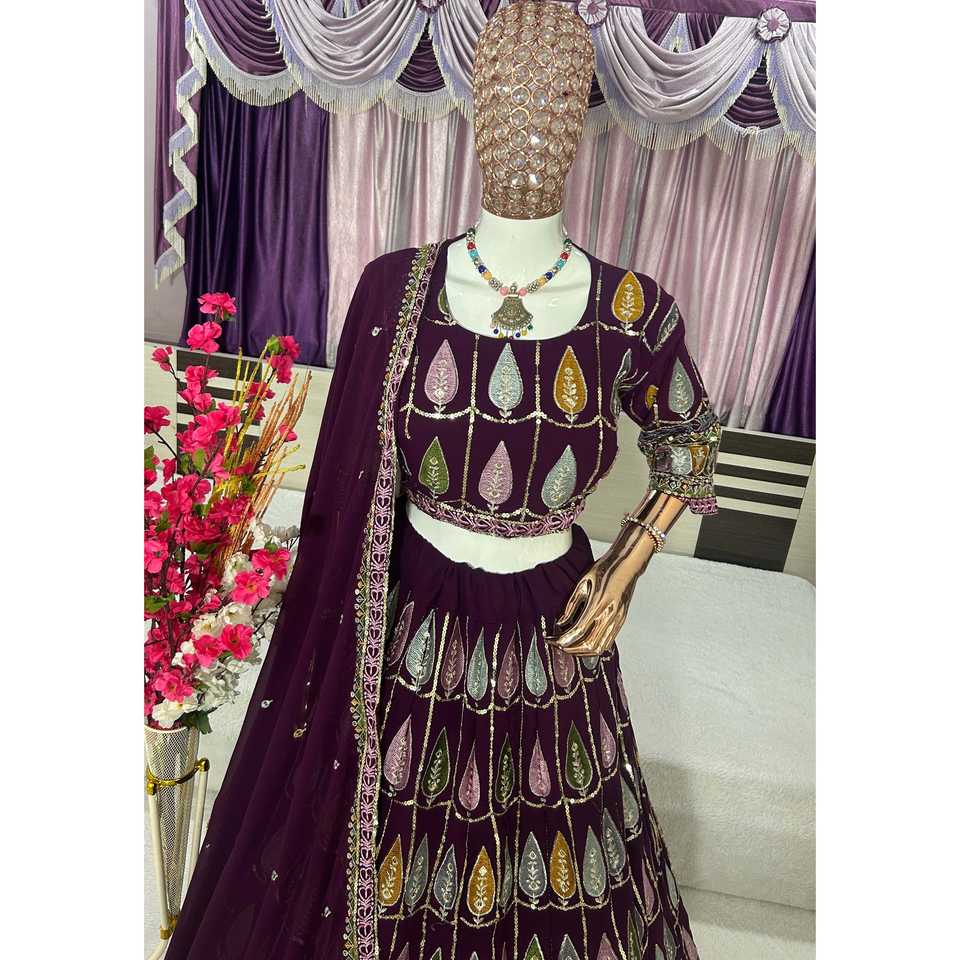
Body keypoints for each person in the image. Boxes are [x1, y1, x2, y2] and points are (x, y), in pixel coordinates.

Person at [166, 5, 718, 959]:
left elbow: (691, 438)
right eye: (510, 88)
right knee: (386, 834)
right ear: (477, 101)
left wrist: (624, 568)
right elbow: (347, 475)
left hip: (556, 610)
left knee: (552, 836)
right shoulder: (396, 288)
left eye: (555, 92)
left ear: (578, 113)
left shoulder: (631, 308)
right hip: (410, 606)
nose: (529, 118)